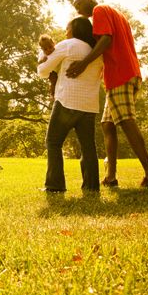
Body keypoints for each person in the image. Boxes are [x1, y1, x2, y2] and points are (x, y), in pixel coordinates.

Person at [66, 0, 148, 187]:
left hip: (120, 72)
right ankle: (111, 178)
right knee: (107, 125)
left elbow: (106, 40)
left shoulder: (99, 10)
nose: (78, 11)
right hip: (125, 73)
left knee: (127, 121)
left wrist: (84, 63)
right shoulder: (116, 13)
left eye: (77, 5)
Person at [38, 17, 104, 193]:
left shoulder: (68, 44)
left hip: (68, 102)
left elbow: (43, 71)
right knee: (88, 146)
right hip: (89, 105)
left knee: (53, 142)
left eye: (67, 28)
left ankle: (55, 186)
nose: (65, 31)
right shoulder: (96, 50)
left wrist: (41, 56)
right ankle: (91, 187)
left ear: (74, 29)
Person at [38, 34, 58, 98]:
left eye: (50, 47)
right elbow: (39, 63)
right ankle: (52, 94)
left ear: (53, 43)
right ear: (42, 49)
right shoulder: (42, 54)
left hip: (57, 69)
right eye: (45, 49)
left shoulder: (57, 49)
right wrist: (42, 60)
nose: (48, 50)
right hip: (51, 72)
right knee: (53, 81)